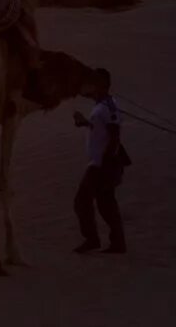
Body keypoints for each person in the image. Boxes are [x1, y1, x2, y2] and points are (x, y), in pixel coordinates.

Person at [72, 68, 128, 254]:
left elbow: (114, 136)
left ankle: (92, 239)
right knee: (106, 202)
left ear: (101, 85)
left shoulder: (107, 107)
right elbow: (101, 129)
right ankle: (117, 243)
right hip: (101, 162)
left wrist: (105, 165)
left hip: (101, 164)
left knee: (82, 200)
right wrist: (85, 123)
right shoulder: (103, 105)